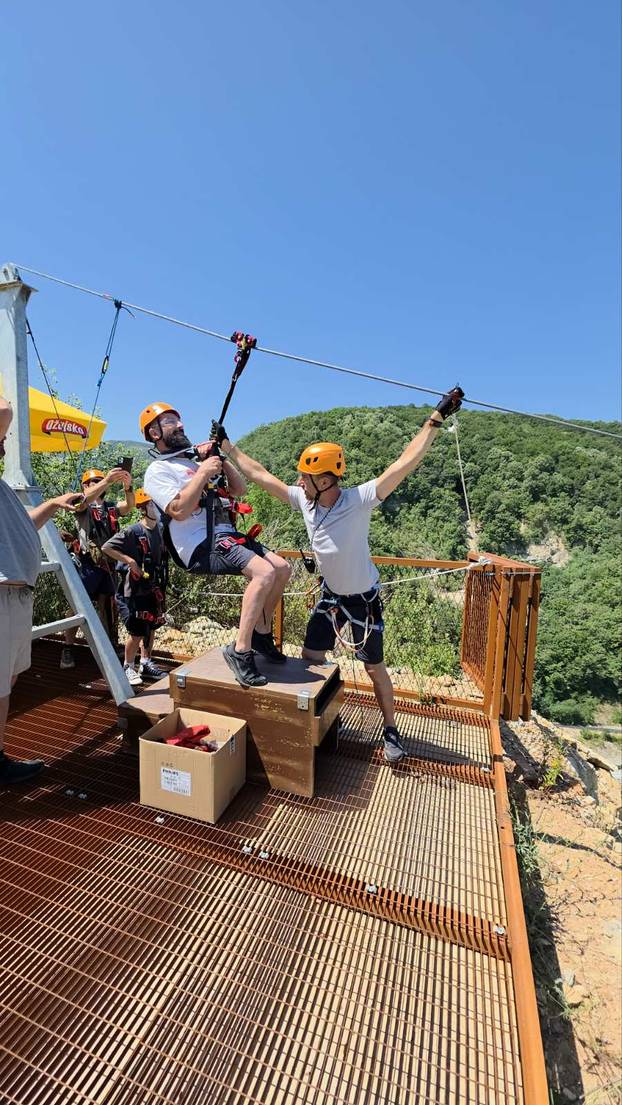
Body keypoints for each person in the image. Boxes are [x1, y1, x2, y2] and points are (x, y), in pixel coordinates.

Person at [216, 386, 464, 762]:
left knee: (374, 667)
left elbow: (404, 463)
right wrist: (228, 446)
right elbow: (262, 476)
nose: (298, 482)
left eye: (305, 477)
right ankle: (322, 721)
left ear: (325, 480)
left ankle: (391, 731)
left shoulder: (359, 499)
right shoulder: (306, 501)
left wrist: (435, 418)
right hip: (331, 597)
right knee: (311, 658)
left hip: (363, 601)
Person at [141, 402, 292, 688]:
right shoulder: (158, 471)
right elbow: (178, 510)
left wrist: (220, 459)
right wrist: (201, 473)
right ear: (154, 433)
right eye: (170, 421)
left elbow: (239, 490)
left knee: (282, 569)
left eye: (178, 419)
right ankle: (240, 651)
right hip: (199, 543)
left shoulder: (193, 462)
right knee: (263, 572)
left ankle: (260, 634)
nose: (180, 425)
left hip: (224, 534)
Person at [0, 396, 84, 784]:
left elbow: (21, 528)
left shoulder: (1, 489)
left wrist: (51, 504)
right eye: (0, 439)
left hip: (16, 599)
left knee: (7, 683)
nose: (4, 445)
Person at [59, 465, 135, 669]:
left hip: (108, 564)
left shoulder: (109, 507)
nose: (97, 484)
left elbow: (129, 506)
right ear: (85, 485)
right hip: (88, 564)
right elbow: (83, 501)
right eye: (93, 482)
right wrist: (108, 480)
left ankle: (110, 644)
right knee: (77, 606)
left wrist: (128, 487)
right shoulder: (81, 504)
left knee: (108, 606)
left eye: (99, 481)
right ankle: (68, 648)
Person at [102, 488, 169, 686]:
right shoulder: (133, 531)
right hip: (132, 591)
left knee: (152, 624)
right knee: (137, 631)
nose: (158, 508)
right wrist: (129, 560)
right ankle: (128, 666)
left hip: (153, 587)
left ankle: (146, 663)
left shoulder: (160, 529)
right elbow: (106, 547)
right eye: (154, 504)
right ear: (144, 507)